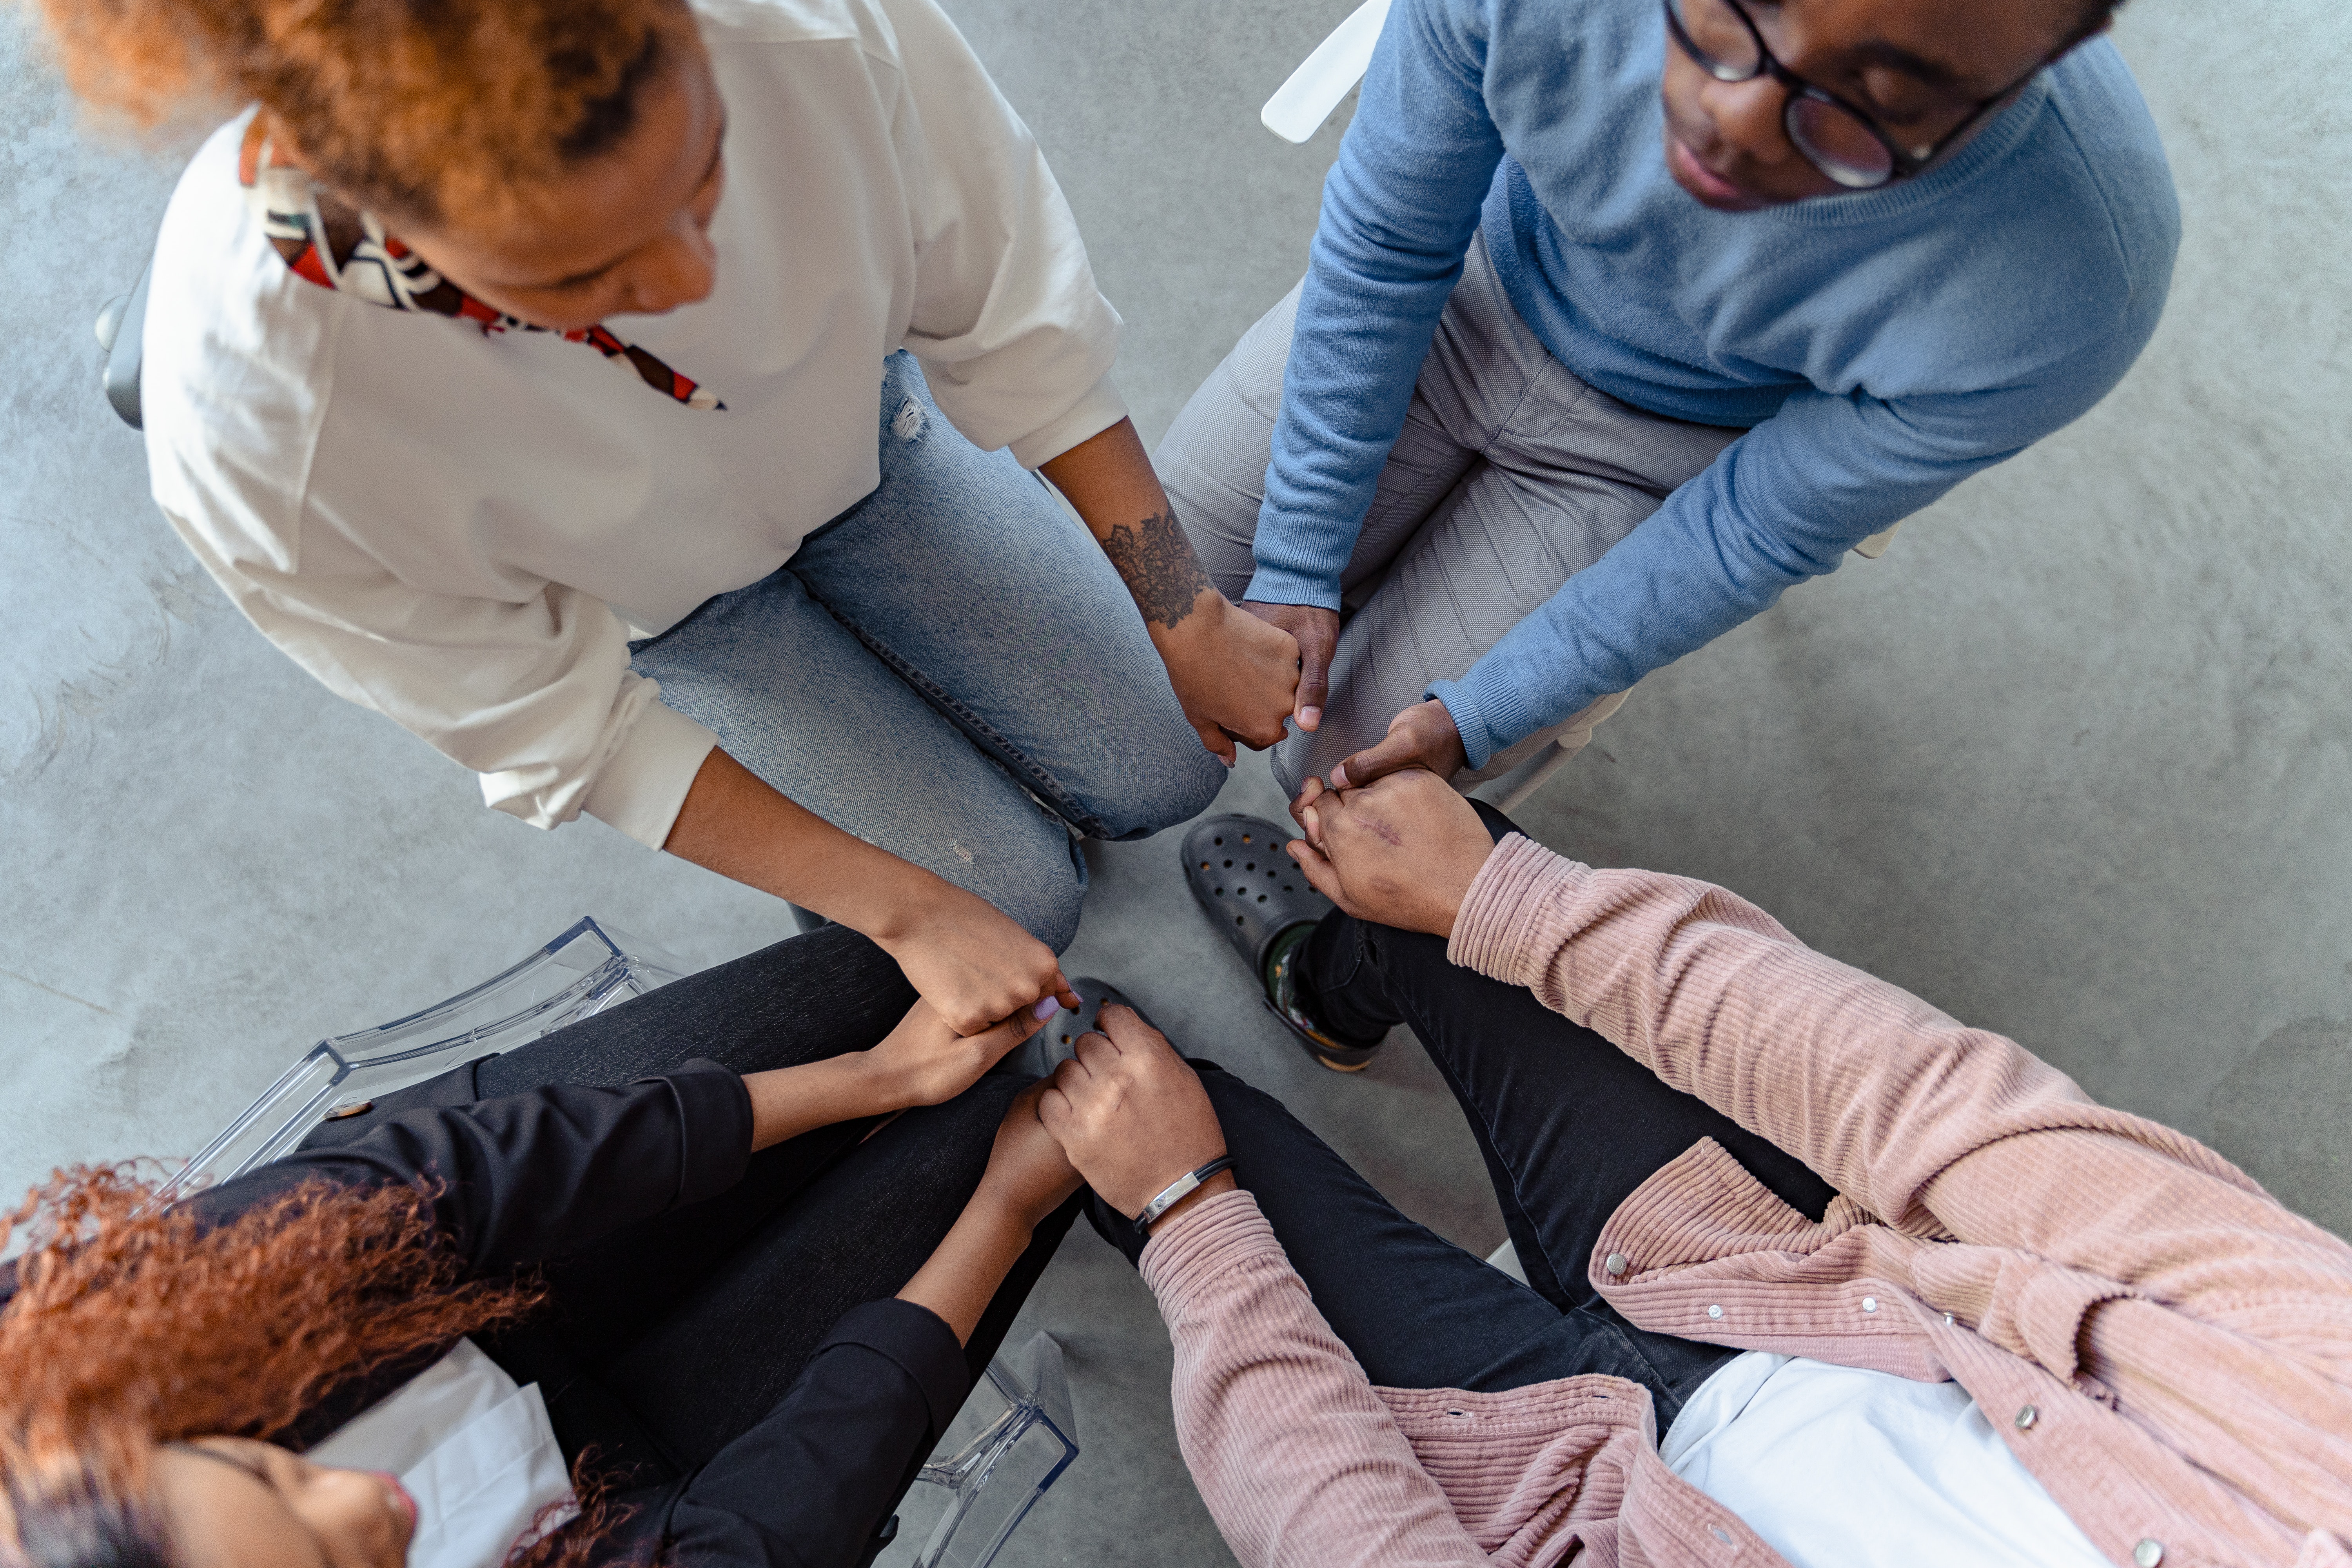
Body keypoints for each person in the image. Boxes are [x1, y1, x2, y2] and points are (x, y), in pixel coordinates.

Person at [33, 0, 1300, 1034]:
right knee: (1012, 900)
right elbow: (551, 725)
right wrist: (907, 911)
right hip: (674, 623)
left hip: (877, 452)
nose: (696, 280)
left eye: (707, 176)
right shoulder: (262, 431)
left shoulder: (793, 24)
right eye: (583, 277)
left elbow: (1011, 304)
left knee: (1167, 763)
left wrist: (1183, 608)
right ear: (398, 227)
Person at [1043, 771, 2352, 1568]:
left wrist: (1188, 1218)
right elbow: (1939, 1111)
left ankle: (1159, 1136)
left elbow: (1356, 1542)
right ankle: (1329, 984)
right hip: (1792, 1286)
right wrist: (1510, 898)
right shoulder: (2326, 1425)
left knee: (1127, 1106)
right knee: (1458, 912)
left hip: (1551, 1505)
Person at [1159, 0, 2179, 800]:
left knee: (1351, 774)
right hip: (1469, 270)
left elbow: (1748, 534)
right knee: (1152, 618)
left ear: (2066, 51)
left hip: (1668, 453)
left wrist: (1484, 713)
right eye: (1741, 4)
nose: (1731, 124)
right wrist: (1301, 552)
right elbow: (1387, 246)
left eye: (1873, 107)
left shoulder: (2080, 286)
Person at [0, 926, 1089, 1568]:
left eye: (265, 1471)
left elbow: (462, 1181)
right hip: (634, 1504)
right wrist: (1004, 1208)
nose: (368, 1503)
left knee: (881, 984)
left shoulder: (49, 1371)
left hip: (456, 1274)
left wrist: (876, 1081)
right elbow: (750, 1544)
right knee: (994, 1144)